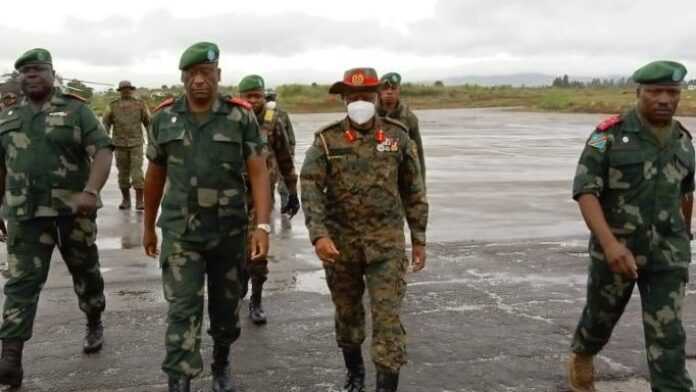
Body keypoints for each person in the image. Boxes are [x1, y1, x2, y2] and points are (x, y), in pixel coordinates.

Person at [143, 42, 271, 392]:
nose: (199, 80)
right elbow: (154, 175)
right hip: (181, 232)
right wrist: (148, 227)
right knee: (182, 307)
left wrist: (261, 225)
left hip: (228, 231)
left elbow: (259, 172)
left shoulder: (239, 116)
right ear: (183, 78)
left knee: (226, 307)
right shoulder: (164, 117)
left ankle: (221, 360)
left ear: (218, 76)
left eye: (206, 74)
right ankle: (179, 380)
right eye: (192, 74)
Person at [567, 60, 694, 392]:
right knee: (600, 319)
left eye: (672, 92)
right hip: (617, 250)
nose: (665, 99)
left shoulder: (683, 140)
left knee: (668, 336)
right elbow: (585, 192)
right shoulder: (607, 135)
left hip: (668, 253)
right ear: (639, 92)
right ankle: (583, 353)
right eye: (655, 92)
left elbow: (686, 192)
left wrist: (685, 236)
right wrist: (609, 244)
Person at [300, 67, 428, 392]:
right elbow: (311, 187)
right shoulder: (327, 140)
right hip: (340, 247)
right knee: (348, 314)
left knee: (387, 321)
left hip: (386, 247)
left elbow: (414, 190)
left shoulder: (398, 136)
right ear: (344, 99)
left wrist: (419, 238)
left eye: (366, 96)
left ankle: (386, 386)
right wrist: (319, 234)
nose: (360, 102)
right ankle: (354, 372)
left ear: (376, 98)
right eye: (353, 97)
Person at [0, 48, 114, 387]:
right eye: (25, 71)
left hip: (72, 214)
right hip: (26, 215)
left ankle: (94, 317)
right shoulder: (6, 117)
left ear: (52, 73)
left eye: (37, 69)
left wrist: (92, 192)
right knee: (21, 284)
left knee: (86, 272)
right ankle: (10, 357)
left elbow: (103, 150)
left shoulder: (76, 110)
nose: (30, 75)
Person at [238, 75, 300, 325]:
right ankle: (238, 286)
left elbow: (285, 157)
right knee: (232, 247)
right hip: (231, 195)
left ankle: (256, 298)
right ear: (240, 97)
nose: (253, 101)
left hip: (260, 195)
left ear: (265, 96)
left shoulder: (274, 121)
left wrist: (292, 190)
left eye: (258, 96)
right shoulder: (231, 120)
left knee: (257, 247)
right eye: (248, 96)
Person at [103, 80, 151, 210]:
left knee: (137, 173)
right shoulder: (113, 106)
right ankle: (126, 200)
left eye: (128, 89)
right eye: (123, 89)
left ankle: (140, 201)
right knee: (123, 174)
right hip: (119, 145)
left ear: (131, 89)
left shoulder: (140, 104)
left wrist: (152, 140)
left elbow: (148, 123)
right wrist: (105, 137)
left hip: (136, 144)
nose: (126, 91)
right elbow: (106, 122)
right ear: (120, 91)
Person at [377, 72, 425, 182]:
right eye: (385, 88)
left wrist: (422, 186)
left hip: (401, 176)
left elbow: (418, 154)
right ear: (379, 91)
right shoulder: (370, 115)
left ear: (399, 91)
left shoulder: (409, 118)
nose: (389, 92)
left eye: (393, 88)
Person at [265, 88, 297, 213]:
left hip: (283, 155)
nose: (270, 101)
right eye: (268, 99)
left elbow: (290, 133)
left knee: (284, 183)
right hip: (269, 157)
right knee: (269, 183)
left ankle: (285, 205)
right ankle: (269, 207)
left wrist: (291, 150)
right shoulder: (263, 115)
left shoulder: (282, 113)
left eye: (272, 98)